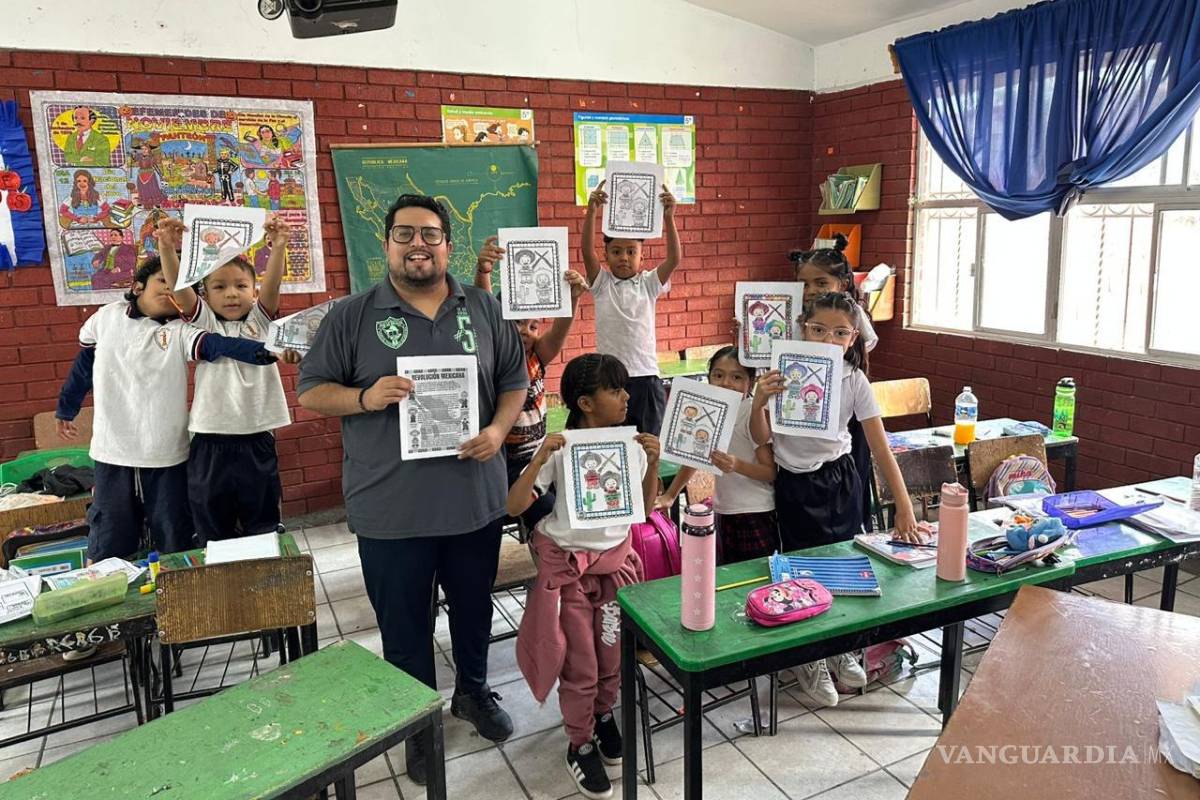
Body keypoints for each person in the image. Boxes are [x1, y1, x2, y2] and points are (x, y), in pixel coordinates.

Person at [296, 194, 527, 785]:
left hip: (473, 502)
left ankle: (472, 694)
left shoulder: (483, 307)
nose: (418, 244)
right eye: (405, 234)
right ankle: (415, 723)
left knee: (475, 613)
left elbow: (512, 381)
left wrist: (499, 430)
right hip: (389, 508)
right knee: (404, 627)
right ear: (388, 244)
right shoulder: (351, 315)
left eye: (430, 234)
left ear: (449, 245)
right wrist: (365, 398)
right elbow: (311, 390)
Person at [750, 291, 923, 707]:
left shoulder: (854, 379)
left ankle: (841, 646)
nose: (828, 339)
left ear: (853, 338)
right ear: (801, 329)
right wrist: (759, 400)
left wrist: (904, 506)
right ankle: (809, 658)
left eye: (840, 332)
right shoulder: (780, 372)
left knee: (843, 569)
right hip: (793, 485)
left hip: (840, 480)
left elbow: (880, 448)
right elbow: (762, 438)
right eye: (818, 329)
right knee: (799, 571)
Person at [54, 256, 278, 562]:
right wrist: (66, 408)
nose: (173, 289)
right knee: (110, 533)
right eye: (164, 281)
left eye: (182, 287)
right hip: (112, 449)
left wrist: (268, 351)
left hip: (167, 453)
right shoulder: (105, 317)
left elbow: (222, 346)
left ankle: (181, 599)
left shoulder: (180, 332)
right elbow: (84, 366)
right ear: (137, 287)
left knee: (174, 533)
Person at [508, 353, 658, 800]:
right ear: (586, 403)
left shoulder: (628, 445)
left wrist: (652, 462)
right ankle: (579, 741)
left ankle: (603, 716)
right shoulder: (562, 447)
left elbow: (645, 511)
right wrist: (538, 462)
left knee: (610, 658)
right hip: (569, 573)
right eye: (615, 390)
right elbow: (514, 505)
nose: (627, 397)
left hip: (614, 569)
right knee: (580, 665)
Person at [155, 214, 297, 543]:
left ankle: (262, 577)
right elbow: (181, 287)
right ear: (205, 293)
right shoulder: (204, 321)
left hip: (257, 436)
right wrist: (166, 246)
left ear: (253, 291)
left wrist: (278, 247)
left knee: (261, 520)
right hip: (210, 438)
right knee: (210, 518)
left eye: (241, 286)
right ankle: (218, 581)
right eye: (219, 287)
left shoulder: (261, 321)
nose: (231, 294)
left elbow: (273, 284)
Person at [474, 234, 588, 533]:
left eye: (533, 325)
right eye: (516, 321)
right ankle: (550, 559)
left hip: (540, 454)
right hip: (506, 462)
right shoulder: (494, 355)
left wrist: (573, 296)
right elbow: (485, 310)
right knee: (546, 515)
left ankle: (551, 559)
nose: (525, 330)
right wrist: (483, 272)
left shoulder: (538, 355)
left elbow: (561, 328)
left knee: (568, 507)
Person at [656, 347, 778, 564]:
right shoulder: (709, 410)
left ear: (750, 382)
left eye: (737, 377)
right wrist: (671, 494)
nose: (726, 383)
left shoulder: (752, 412)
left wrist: (735, 464)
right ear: (709, 377)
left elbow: (770, 472)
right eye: (718, 375)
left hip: (755, 514)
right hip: (725, 511)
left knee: (752, 579)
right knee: (728, 577)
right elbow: (695, 457)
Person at [790, 234, 879, 527]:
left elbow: (864, 345)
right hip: (802, 412)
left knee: (853, 466)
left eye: (821, 283)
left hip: (843, 411)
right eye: (804, 283)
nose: (811, 290)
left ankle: (859, 522)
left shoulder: (849, 313)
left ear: (841, 285)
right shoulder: (797, 314)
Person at [580, 179, 680, 435]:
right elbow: (587, 251)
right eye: (616, 251)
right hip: (611, 378)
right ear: (607, 256)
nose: (623, 257)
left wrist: (669, 218)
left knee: (649, 442)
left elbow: (674, 258)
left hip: (645, 375)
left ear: (641, 256)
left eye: (630, 251)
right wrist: (592, 211)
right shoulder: (602, 283)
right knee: (616, 440)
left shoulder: (648, 283)